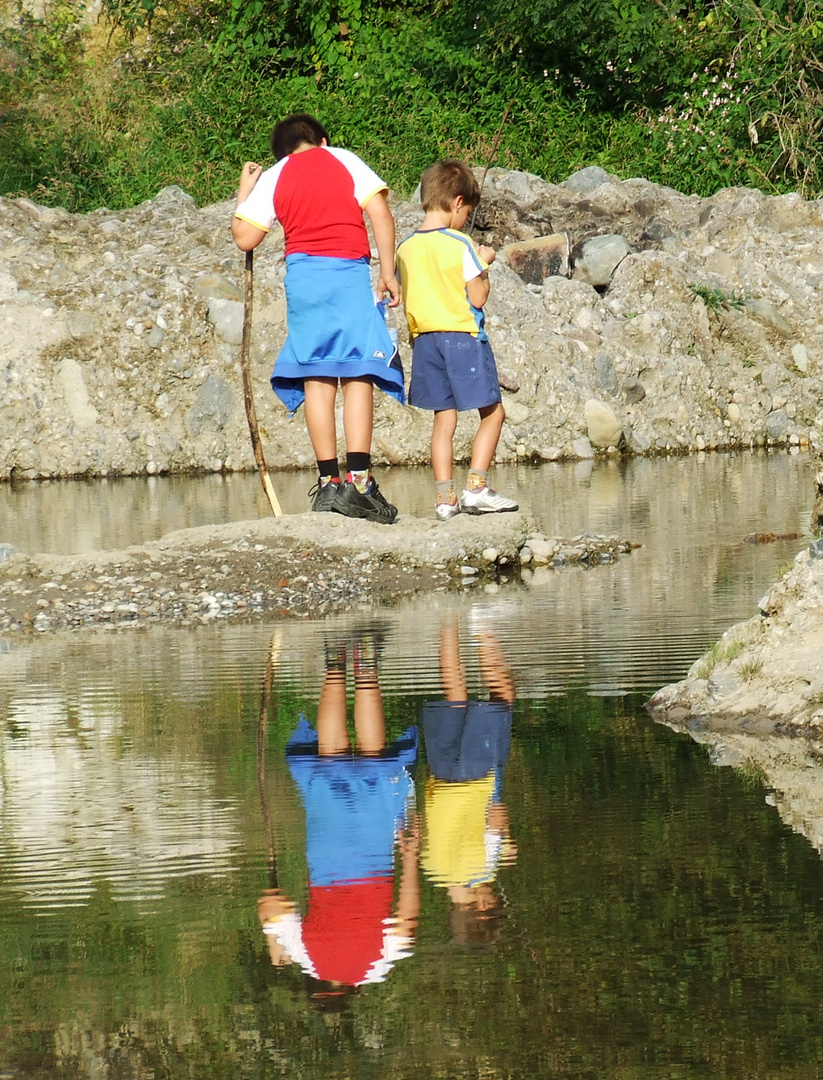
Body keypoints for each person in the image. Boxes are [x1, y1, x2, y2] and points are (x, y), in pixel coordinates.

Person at [232, 113, 404, 523]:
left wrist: (245, 192)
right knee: (357, 372)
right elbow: (380, 212)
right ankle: (359, 481)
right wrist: (387, 272)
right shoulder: (343, 158)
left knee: (318, 376)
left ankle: (329, 484)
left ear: (283, 151)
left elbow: (244, 237)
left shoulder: (277, 173)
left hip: (304, 280)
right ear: (322, 140)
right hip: (346, 274)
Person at [257, 634, 420, 1004]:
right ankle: (334, 663)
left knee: (373, 756)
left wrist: (410, 857)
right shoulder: (306, 958)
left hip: (373, 857)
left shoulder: (375, 969)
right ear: (314, 985)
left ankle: (365, 661)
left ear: (348, 991)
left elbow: (407, 923)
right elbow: (270, 902)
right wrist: (273, 942)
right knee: (331, 756)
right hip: (326, 855)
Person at [396, 159, 519, 520]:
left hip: (425, 342)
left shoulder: (405, 249)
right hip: (462, 336)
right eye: (467, 211)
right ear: (456, 202)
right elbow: (477, 297)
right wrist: (483, 263)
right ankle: (477, 489)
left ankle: (445, 498)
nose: (466, 218)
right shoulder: (461, 243)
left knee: (443, 420)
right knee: (493, 412)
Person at [419, 614, 517, 945]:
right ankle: (449, 616)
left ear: (482, 909)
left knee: (502, 696)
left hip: (477, 779)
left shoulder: (483, 871)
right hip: (442, 774)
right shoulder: (431, 870)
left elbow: (494, 819)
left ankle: (484, 625)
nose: (493, 897)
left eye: (492, 902)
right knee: (455, 693)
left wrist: (505, 840)